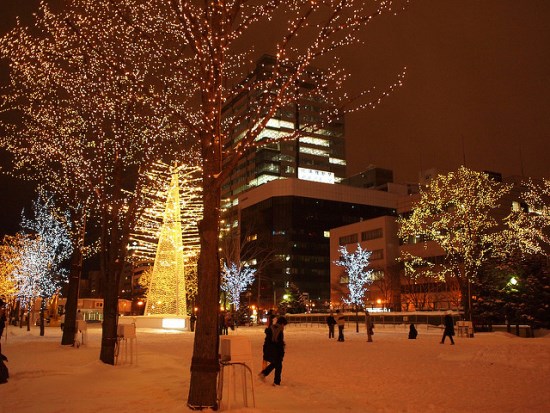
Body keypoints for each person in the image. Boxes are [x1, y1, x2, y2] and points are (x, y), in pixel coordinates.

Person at [259, 316, 288, 386]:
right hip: (275, 350)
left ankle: (264, 374)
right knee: (278, 365)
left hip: (270, 348)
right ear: (282, 323)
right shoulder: (279, 330)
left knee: (275, 363)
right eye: (284, 325)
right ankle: (276, 382)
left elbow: (267, 340)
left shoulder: (272, 328)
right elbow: (279, 342)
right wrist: (282, 352)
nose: (284, 326)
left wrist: (265, 349)